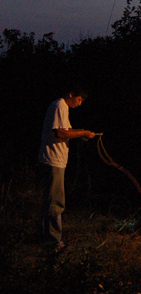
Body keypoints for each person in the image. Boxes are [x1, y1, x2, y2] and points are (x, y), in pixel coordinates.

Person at [37, 83, 95, 250]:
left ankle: (46, 236)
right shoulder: (59, 105)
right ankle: (53, 241)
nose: (80, 103)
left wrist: (82, 132)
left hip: (56, 161)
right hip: (53, 160)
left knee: (52, 200)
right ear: (71, 94)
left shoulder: (62, 107)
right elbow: (59, 132)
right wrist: (82, 133)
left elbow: (66, 129)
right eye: (79, 99)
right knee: (55, 202)